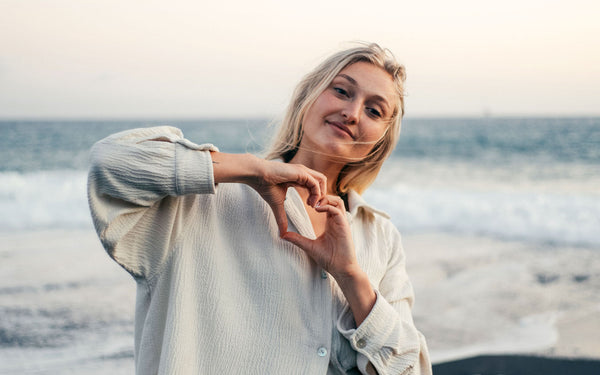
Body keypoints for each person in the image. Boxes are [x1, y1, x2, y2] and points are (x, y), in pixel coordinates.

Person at [88, 42, 432, 375]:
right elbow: (110, 163)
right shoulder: (200, 202)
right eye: (342, 91)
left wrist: (351, 276)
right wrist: (255, 170)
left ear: (380, 142)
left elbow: (410, 369)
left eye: (374, 110)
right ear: (307, 97)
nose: (352, 113)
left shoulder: (380, 237)